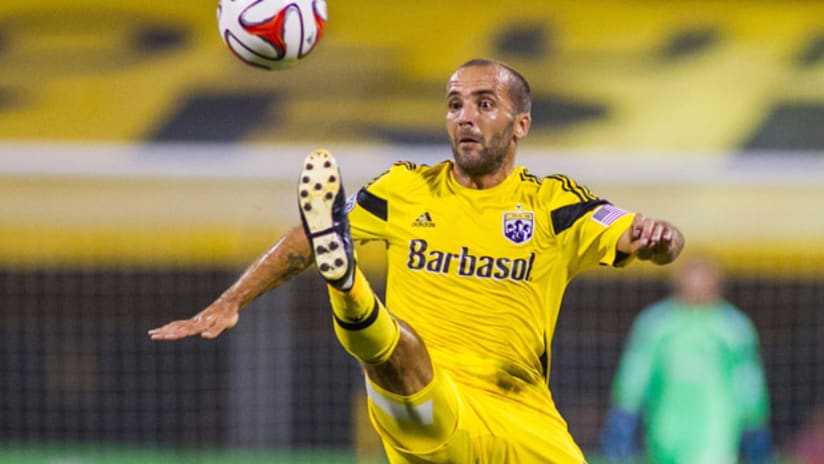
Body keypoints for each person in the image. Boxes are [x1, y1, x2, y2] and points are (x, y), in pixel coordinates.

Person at [149, 58, 685, 463]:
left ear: (520, 125)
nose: (465, 118)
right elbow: (302, 241)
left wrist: (662, 241)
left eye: (483, 103)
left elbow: (645, 239)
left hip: (522, 417)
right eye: (455, 104)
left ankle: (351, 287)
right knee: (399, 350)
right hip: (426, 402)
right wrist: (229, 302)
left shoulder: (553, 204)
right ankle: (350, 289)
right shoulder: (405, 188)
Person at [601, 255, 772, 464]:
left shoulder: (733, 327)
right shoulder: (656, 323)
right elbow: (636, 371)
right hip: (666, 430)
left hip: (716, 431)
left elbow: (747, 379)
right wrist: (625, 412)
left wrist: (755, 421)